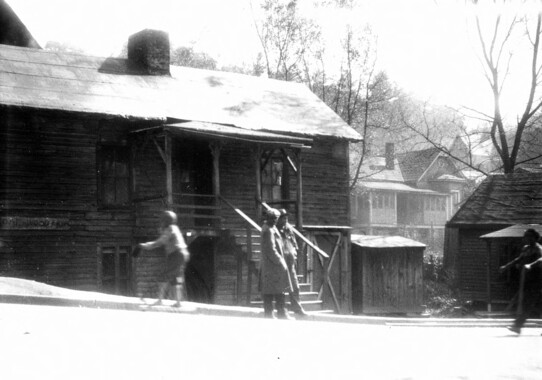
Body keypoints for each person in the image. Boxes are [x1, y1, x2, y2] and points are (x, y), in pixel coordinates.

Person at [138, 210, 190, 307]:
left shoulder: (170, 228)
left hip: (176, 254)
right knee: (176, 278)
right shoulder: (175, 228)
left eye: (162, 221)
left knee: (163, 276)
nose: (161, 223)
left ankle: (160, 300)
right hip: (183, 253)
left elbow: (161, 241)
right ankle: (178, 302)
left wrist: (147, 245)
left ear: (166, 221)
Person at [499, 228, 542, 334]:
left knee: (529, 302)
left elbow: (541, 259)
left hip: (538, 279)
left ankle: (517, 326)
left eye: (528, 236)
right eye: (525, 236)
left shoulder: (539, 248)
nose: (526, 238)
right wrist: (506, 266)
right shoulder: (525, 248)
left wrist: (530, 265)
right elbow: (518, 259)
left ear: (534, 238)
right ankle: (517, 326)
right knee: (532, 302)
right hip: (528, 279)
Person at [259, 208, 292, 319]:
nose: (274, 220)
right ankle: (276, 313)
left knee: (277, 289)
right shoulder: (268, 230)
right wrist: (280, 261)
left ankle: (279, 313)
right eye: (272, 218)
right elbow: (270, 249)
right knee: (275, 290)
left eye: (276, 218)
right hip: (272, 266)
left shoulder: (272, 228)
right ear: (267, 218)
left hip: (272, 266)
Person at [277, 208, 308, 317]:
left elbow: (294, 243)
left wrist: (294, 252)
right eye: (283, 218)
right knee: (281, 288)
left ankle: (297, 308)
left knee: (295, 286)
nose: (285, 220)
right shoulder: (275, 230)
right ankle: (282, 310)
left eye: (286, 218)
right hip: (280, 263)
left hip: (290, 262)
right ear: (278, 219)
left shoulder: (289, 229)